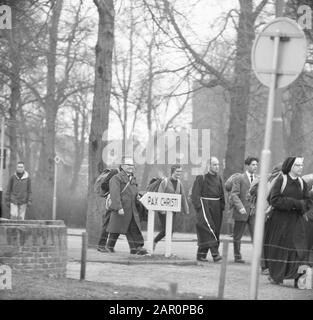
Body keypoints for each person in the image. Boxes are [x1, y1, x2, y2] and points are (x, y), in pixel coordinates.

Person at [263, 157, 312, 287]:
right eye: (297, 165)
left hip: (296, 221)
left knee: (296, 248)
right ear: (290, 166)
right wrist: (295, 203)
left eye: (301, 165)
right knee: (278, 248)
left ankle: (294, 276)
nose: (300, 167)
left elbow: (307, 202)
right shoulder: (281, 180)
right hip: (279, 220)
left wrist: (301, 205)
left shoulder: (302, 183)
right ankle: (275, 276)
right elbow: (274, 200)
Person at [106, 156, 148, 255]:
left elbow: (133, 191)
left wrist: (137, 196)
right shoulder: (116, 178)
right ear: (122, 166)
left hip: (132, 209)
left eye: (132, 165)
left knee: (133, 228)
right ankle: (110, 246)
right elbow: (114, 194)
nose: (131, 167)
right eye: (128, 165)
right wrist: (119, 207)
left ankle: (136, 248)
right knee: (116, 229)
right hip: (122, 207)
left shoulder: (133, 178)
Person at [191, 157, 225, 262]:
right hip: (205, 206)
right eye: (214, 164)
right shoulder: (201, 178)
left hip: (216, 207)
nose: (217, 167)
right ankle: (215, 254)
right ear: (209, 166)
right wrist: (199, 208)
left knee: (215, 230)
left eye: (218, 164)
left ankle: (201, 255)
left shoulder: (219, 178)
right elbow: (195, 195)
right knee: (209, 229)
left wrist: (222, 206)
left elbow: (221, 193)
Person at [153, 165, 189, 251]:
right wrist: (161, 210)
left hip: (173, 211)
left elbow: (183, 196)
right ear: (173, 172)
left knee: (171, 230)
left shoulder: (179, 183)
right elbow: (159, 195)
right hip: (163, 210)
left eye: (180, 172)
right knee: (167, 229)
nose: (179, 173)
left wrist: (186, 209)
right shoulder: (165, 182)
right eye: (177, 171)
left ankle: (167, 250)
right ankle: (154, 241)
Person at [230, 156, 259, 263]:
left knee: (256, 236)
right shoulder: (239, 178)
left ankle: (258, 258)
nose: (255, 166)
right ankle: (237, 257)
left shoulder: (258, 179)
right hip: (241, 211)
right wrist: (240, 207)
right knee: (237, 236)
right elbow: (234, 194)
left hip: (253, 212)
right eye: (253, 164)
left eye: (256, 164)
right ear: (247, 166)